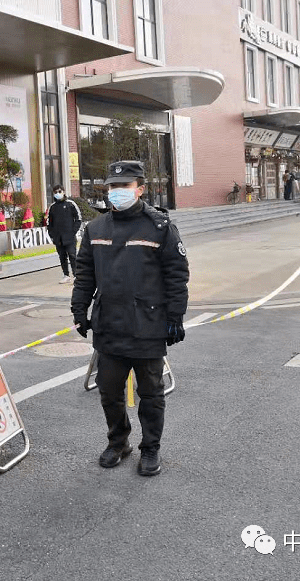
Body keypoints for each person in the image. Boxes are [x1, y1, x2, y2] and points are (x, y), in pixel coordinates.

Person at [71, 160, 189, 477]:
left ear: (140, 188)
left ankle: (150, 449)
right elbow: (84, 275)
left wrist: (176, 317)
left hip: (147, 327)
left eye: (124, 186)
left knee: (150, 394)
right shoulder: (96, 229)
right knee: (109, 392)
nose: (117, 192)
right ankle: (118, 442)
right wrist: (79, 310)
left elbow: (177, 276)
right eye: (113, 187)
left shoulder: (160, 227)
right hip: (109, 325)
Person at [46, 184, 82, 284]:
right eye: (56, 192)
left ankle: (76, 275)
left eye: (60, 191)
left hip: (69, 237)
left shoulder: (71, 204)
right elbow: (49, 223)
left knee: (72, 255)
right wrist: (52, 235)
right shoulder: (52, 207)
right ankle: (66, 275)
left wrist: (73, 231)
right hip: (58, 238)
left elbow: (78, 219)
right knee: (62, 257)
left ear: (64, 192)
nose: (58, 194)